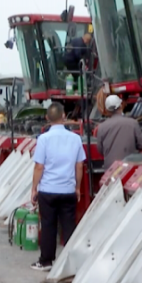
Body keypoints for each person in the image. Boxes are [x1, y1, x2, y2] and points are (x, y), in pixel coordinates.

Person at [30, 102, 86, 271]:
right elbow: (79, 166)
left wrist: (34, 188)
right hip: (67, 189)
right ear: (64, 116)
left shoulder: (43, 139)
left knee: (48, 225)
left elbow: (39, 166)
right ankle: (70, 262)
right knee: (68, 224)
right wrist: (77, 187)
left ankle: (46, 261)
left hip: (48, 189)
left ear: (47, 118)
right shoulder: (76, 138)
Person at [96, 95, 142, 171]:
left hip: (110, 168)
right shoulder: (133, 123)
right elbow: (141, 145)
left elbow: (100, 150)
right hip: (129, 168)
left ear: (107, 110)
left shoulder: (102, 127)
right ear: (120, 105)